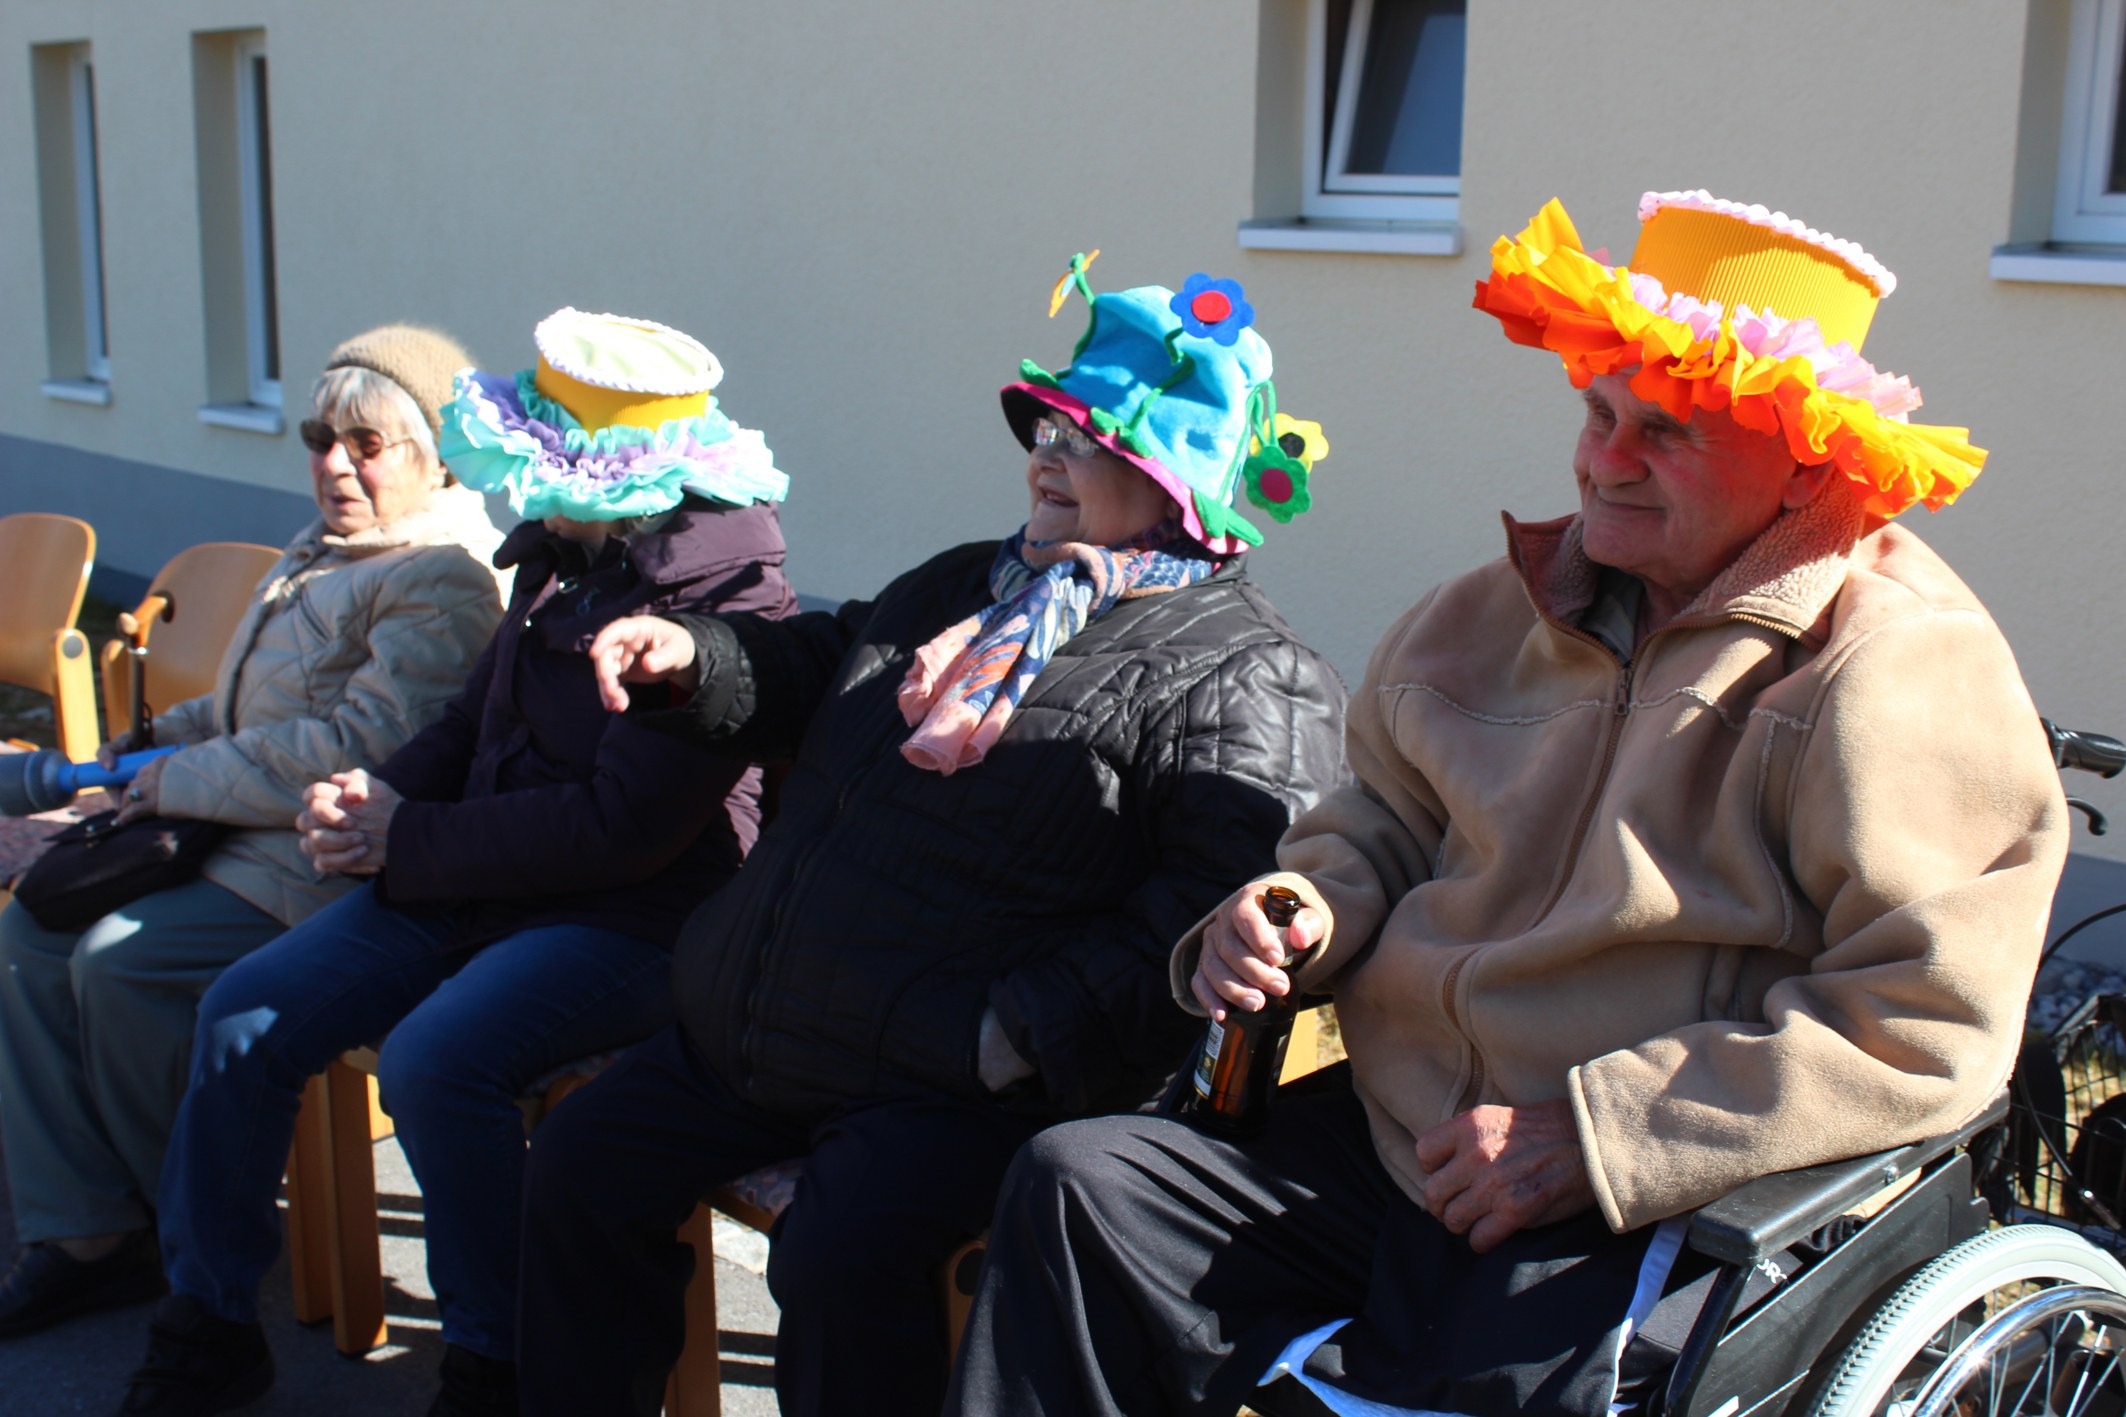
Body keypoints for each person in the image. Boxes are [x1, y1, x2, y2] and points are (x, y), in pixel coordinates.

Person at [945, 192, 2072, 1417]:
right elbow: (1382, 816)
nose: (1604, 461)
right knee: (1081, 1190)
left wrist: (1593, 1134)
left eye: (1665, 432)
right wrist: (1301, 905)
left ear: (1805, 457)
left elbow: (1922, 1021)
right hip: (1403, 1134)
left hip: (1651, 1183)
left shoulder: (1893, 666)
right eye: (1598, 414)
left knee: (1453, 1393)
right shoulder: (1488, 609)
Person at [514, 255, 1348, 1416]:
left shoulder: (1248, 670)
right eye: (1044, 429)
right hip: (758, 1032)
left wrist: (1007, 1036)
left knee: (843, 1258)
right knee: (581, 1164)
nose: (1045, 457)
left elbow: (1215, 908)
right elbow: (823, 666)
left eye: (1083, 440)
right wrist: (693, 661)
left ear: (1171, 483)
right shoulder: (967, 582)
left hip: (956, 1086)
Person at [111, 309, 797, 1417]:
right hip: (479, 875)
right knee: (243, 1011)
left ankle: (494, 1359)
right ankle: (209, 1321)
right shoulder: (565, 555)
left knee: (438, 1061)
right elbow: (472, 721)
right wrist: (377, 795)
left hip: (635, 918)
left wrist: (408, 838)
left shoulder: (723, 601)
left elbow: (623, 828)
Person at [0, 325, 505, 1340]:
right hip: (232, 828)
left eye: (367, 444)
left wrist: (179, 779)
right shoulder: (323, 545)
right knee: (29, 935)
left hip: (323, 856)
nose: (334, 464)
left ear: (438, 457)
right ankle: (87, 1226)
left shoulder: (441, 574)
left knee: (120, 960)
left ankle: (176, 1216)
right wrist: (152, 746)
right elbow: (246, 706)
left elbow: (365, 748)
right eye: (321, 438)